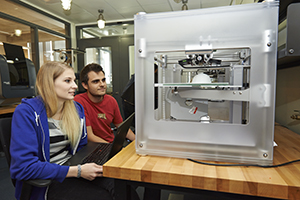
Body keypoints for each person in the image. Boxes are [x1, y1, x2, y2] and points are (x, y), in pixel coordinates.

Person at [10, 61, 114, 200]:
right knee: (102, 197)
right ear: (49, 83)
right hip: (48, 181)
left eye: (74, 81)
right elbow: (24, 167)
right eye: (67, 81)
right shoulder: (26, 112)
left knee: (122, 186)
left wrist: (97, 160)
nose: (75, 86)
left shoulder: (76, 109)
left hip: (73, 169)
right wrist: (77, 171)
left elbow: (81, 148)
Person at [74, 63, 135, 143]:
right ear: (85, 85)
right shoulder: (79, 101)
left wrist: (138, 142)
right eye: (96, 81)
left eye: (103, 80)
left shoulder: (111, 101)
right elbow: (89, 136)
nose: (102, 84)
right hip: (92, 148)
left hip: (109, 144)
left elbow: (121, 126)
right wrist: (110, 149)